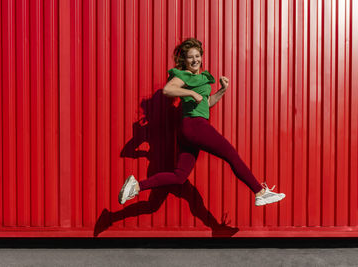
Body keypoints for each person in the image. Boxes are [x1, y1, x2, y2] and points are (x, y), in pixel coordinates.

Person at [118, 38, 285, 207]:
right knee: (231, 154)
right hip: (195, 125)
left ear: (201, 57)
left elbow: (207, 102)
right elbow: (168, 89)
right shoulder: (184, 75)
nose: (195, 60)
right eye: (190, 57)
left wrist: (222, 90)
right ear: (185, 60)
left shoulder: (201, 78)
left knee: (179, 176)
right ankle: (260, 192)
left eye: (197, 56)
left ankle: (137, 186)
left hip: (189, 130)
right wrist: (191, 94)